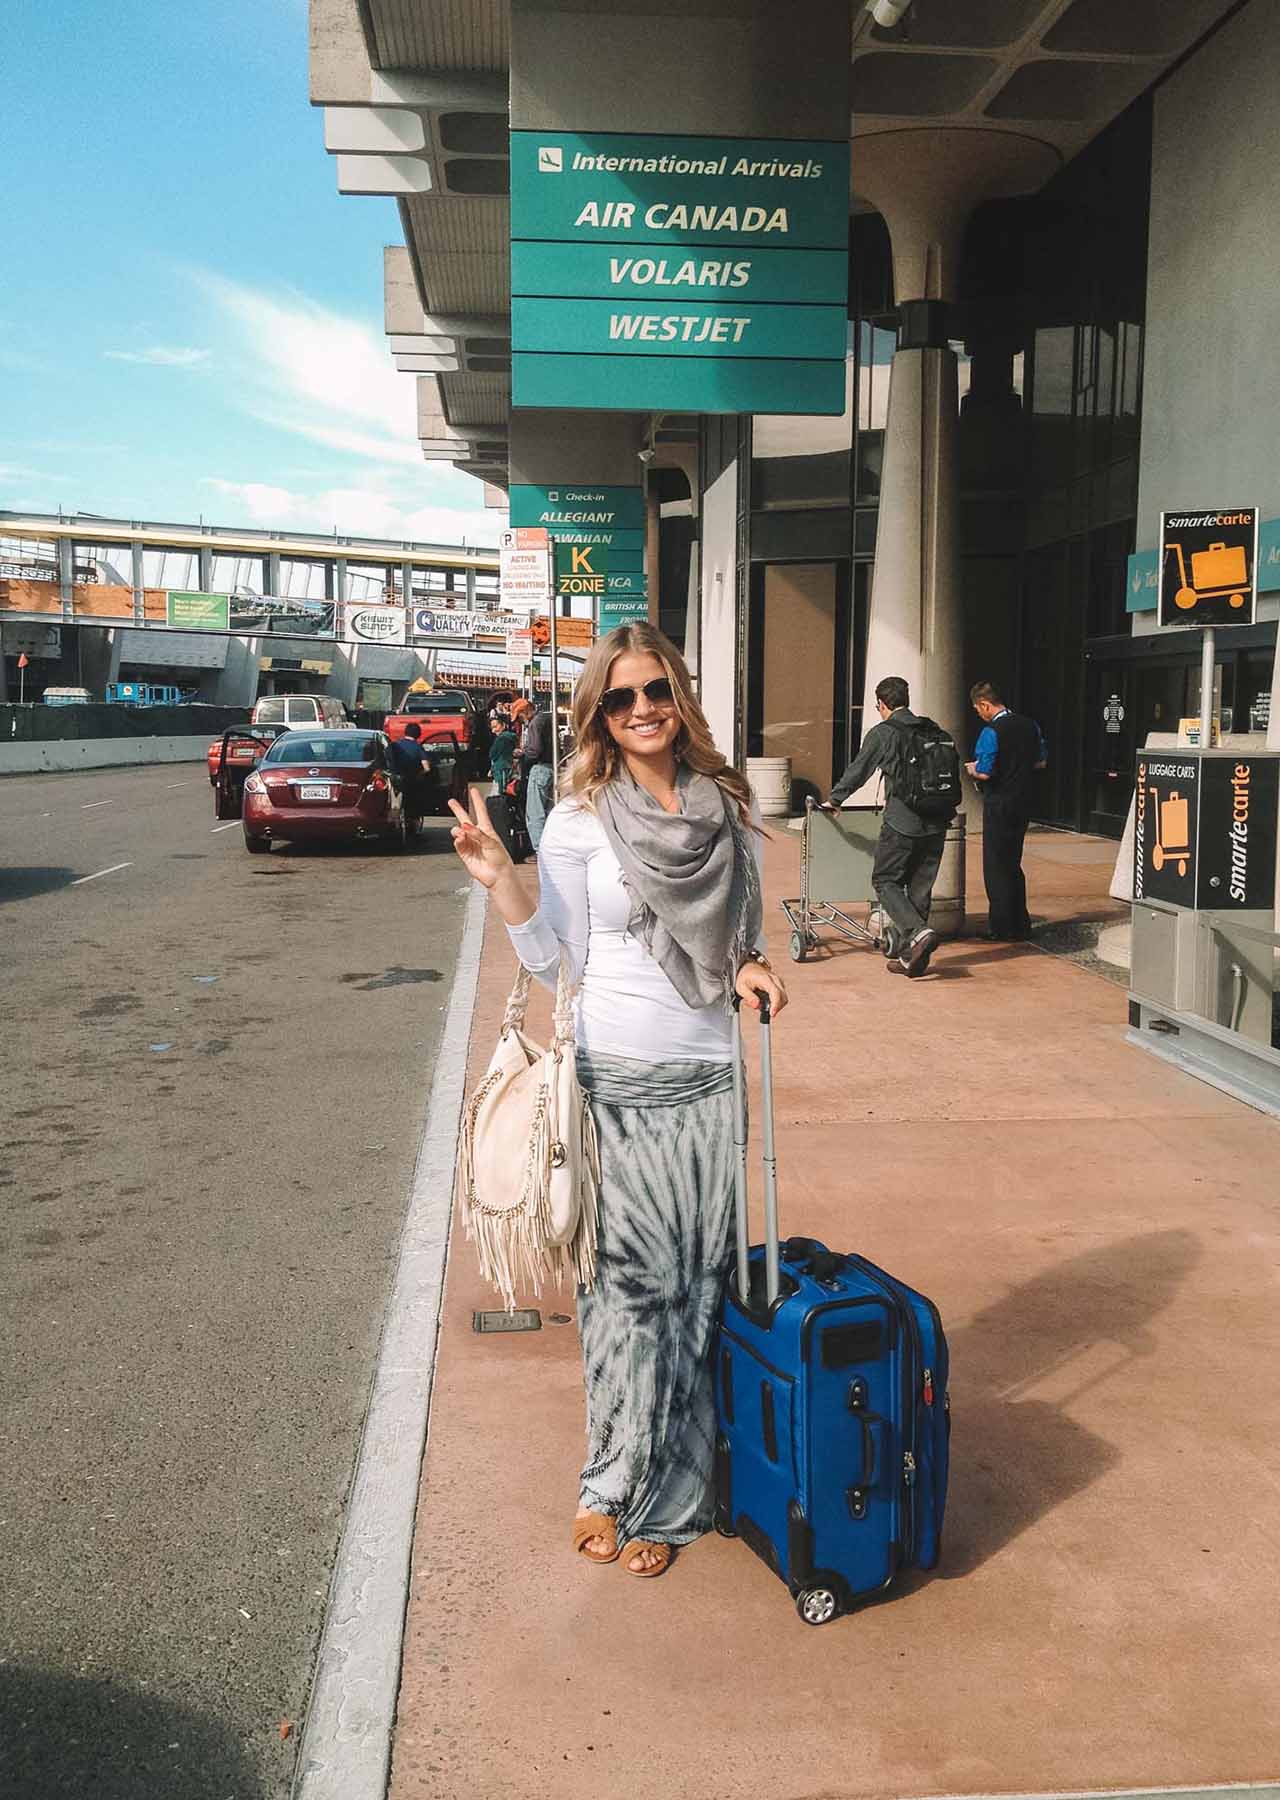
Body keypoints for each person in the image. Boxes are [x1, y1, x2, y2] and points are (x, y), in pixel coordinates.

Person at [449, 622, 787, 1581]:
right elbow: (556, 961)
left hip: (709, 1082)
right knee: (624, 1296)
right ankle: (610, 1478)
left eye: (656, 691)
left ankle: (676, 1498)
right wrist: (502, 884)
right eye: (622, 697)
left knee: (697, 1294)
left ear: (679, 696)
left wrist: (752, 968)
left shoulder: (726, 808)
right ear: (598, 713)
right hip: (613, 1081)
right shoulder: (577, 820)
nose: (643, 710)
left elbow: (742, 937)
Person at [822, 675, 957, 978]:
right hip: (937, 821)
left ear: (882, 704)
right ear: (905, 700)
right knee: (920, 888)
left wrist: (835, 799)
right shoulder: (934, 730)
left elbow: (859, 770)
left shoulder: (884, 733)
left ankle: (918, 933)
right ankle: (912, 958)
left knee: (885, 880)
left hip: (903, 822)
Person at [965, 680, 1048, 942]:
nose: (979, 715)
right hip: (1023, 801)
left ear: (984, 704)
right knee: (1013, 863)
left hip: (999, 802)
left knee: (996, 865)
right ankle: (1020, 924)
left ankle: (1001, 927)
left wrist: (972, 769)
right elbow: (1041, 762)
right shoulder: (1030, 725)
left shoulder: (991, 731)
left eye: (978, 710)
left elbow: (985, 772)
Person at [519, 705, 557, 851]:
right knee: (549, 810)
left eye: (520, 717)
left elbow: (535, 750)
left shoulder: (535, 723)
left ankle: (539, 849)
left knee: (535, 812)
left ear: (525, 712)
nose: (521, 721)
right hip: (552, 767)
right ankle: (550, 846)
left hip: (539, 768)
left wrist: (523, 754)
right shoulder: (547, 719)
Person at [390, 720, 429, 825]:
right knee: (414, 800)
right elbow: (427, 768)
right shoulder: (418, 747)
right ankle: (412, 820)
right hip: (412, 781)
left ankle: (395, 817)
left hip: (396, 779)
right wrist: (419, 774)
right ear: (418, 734)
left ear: (405, 732)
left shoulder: (395, 745)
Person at [488, 720, 517, 795]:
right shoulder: (511, 737)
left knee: (500, 793)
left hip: (500, 770)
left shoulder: (501, 739)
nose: (493, 730)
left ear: (503, 725)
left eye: (495, 726)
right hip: (507, 767)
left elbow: (492, 754)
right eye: (492, 728)